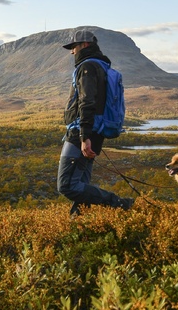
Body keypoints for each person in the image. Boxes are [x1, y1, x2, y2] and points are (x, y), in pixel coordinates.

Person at [57, 29, 135, 216]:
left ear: (84, 45)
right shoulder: (102, 67)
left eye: (74, 47)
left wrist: (84, 137)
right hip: (96, 133)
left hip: (82, 134)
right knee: (81, 184)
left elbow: (87, 102)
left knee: (67, 185)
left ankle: (119, 204)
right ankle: (80, 226)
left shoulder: (88, 67)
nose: (72, 51)